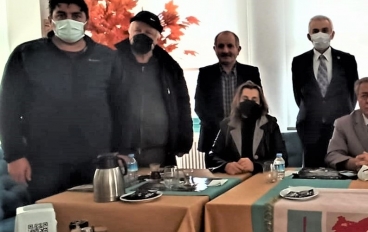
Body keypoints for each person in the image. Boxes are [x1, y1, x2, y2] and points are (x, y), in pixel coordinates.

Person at [0, 0, 127, 209]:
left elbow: (122, 106)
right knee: (49, 219)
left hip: (97, 159)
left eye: (76, 16)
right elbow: (8, 108)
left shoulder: (108, 57)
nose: (69, 20)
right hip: (44, 161)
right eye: (61, 15)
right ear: (51, 20)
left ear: (86, 21)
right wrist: (14, 156)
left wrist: (123, 150)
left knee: (100, 218)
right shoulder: (26, 54)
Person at [115, 11, 193, 167]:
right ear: (129, 32)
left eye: (148, 32)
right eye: (137, 30)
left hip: (161, 151)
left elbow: (183, 104)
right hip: (122, 152)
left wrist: (184, 141)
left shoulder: (170, 67)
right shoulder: (112, 62)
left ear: (157, 38)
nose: (142, 35)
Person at [292, 15, 358, 167]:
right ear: (309, 36)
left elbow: (353, 93)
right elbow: (298, 95)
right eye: (315, 31)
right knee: (311, 172)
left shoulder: (347, 60)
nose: (320, 34)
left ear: (332, 34)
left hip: (340, 126)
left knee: (341, 168)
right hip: (310, 127)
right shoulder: (299, 62)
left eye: (324, 30)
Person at [195, 31, 262, 163]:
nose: (225, 50)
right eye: (221, 46)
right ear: (215, 49)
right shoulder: (205, 74)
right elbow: (200, 107)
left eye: (230, 46)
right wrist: (224, 129)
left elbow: (258, 105)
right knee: (214, 176)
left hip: (245, 139)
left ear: (238, 49)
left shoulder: (251, 72)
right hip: (213, 138)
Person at [206, 81, 287, 174]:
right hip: (236, 177)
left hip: (261, 176)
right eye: (245, 99)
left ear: (260, 103)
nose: (249, 102)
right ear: (238, 101)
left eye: (254, 99)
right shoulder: (227, 125)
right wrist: (225, 166)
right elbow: (211, 156)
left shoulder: (271, 124)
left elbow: (283, 157)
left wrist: (256, 166)